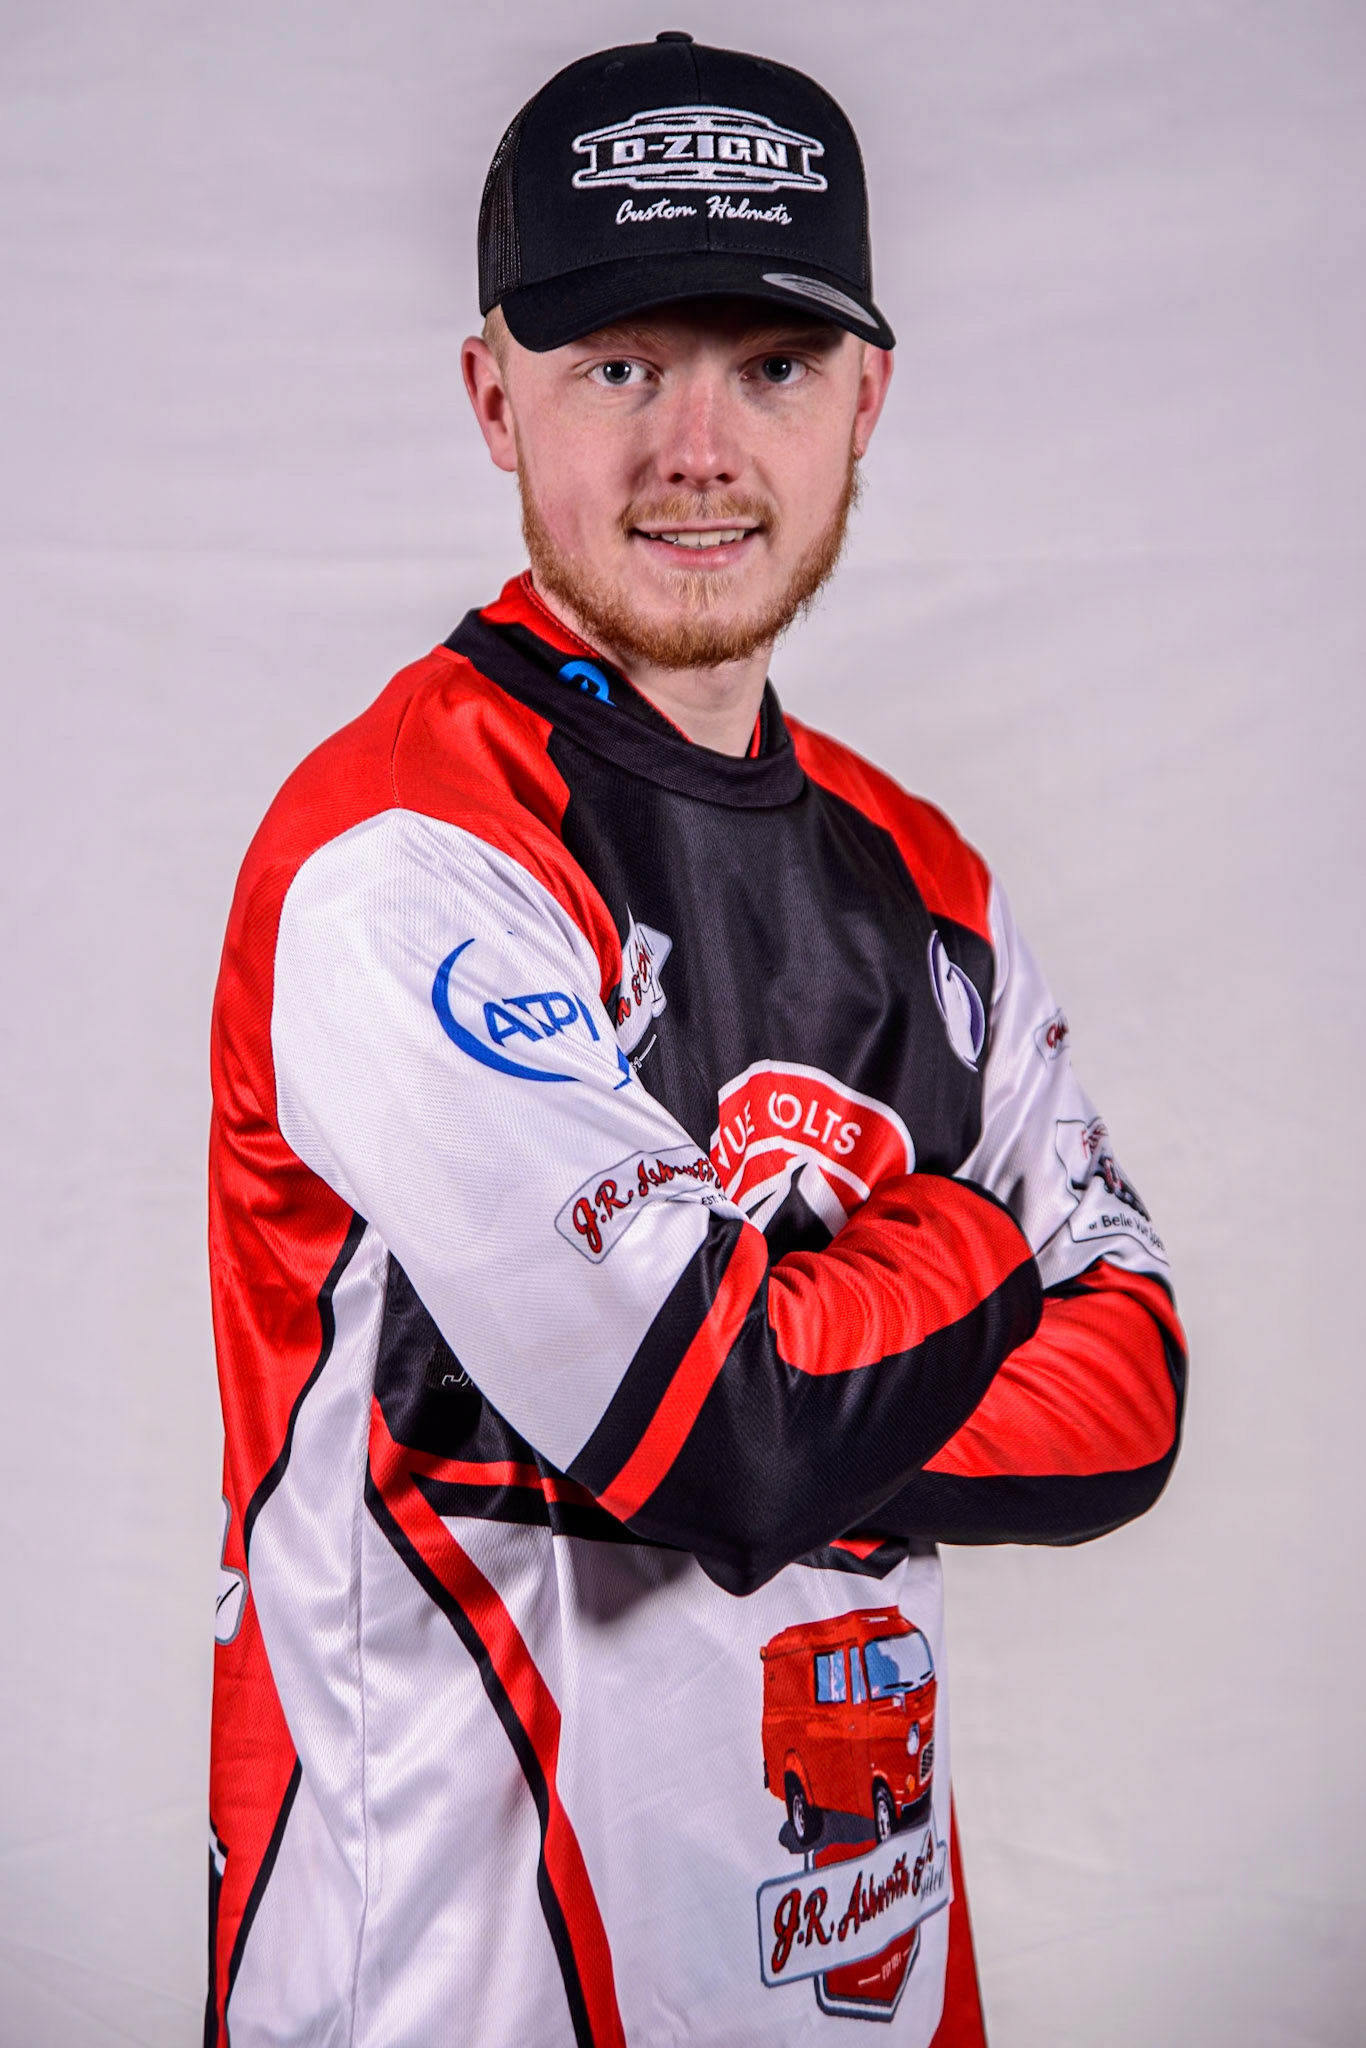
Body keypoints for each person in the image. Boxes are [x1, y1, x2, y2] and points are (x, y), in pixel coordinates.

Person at [205, 32, 1185, 2048]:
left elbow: (1136, 1399)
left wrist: (762, 1368)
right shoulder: (407, 857)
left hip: (865, 1956)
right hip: (461, 1986)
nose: (698, 454)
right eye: (619, 369)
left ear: (865, 401)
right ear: (495, 395)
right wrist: (974, 1251)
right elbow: (720, 1424)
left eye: (769, 367)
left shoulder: (927, 886)